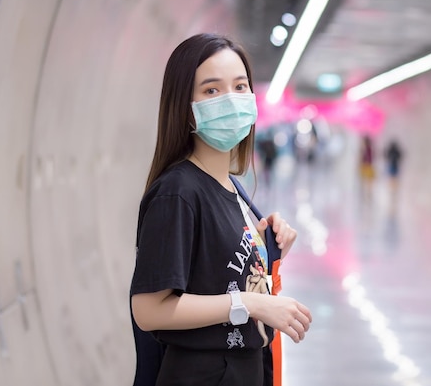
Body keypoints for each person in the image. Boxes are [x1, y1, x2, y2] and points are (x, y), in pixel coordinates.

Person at [129, 33, 312, 386]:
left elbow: (216, 266)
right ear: (184, 105)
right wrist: (252, 304)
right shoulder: (178, 192)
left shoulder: (232, 187)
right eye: (212, 90)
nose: (231, 100)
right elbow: (149, 310)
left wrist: (265, 242)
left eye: (240, 86)